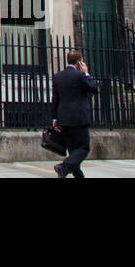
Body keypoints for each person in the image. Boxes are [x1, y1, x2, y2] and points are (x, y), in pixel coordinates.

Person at [51, 50, 99, 178]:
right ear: (79, 62)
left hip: (63, 119)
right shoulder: (80, 76)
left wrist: (54, 119)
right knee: (83, 148)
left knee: (73, 150)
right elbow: (94, 89)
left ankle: (77, 175)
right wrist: (87, 73)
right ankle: (63, 167)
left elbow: (55, 99)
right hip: (78, 119)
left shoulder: (58, 76)